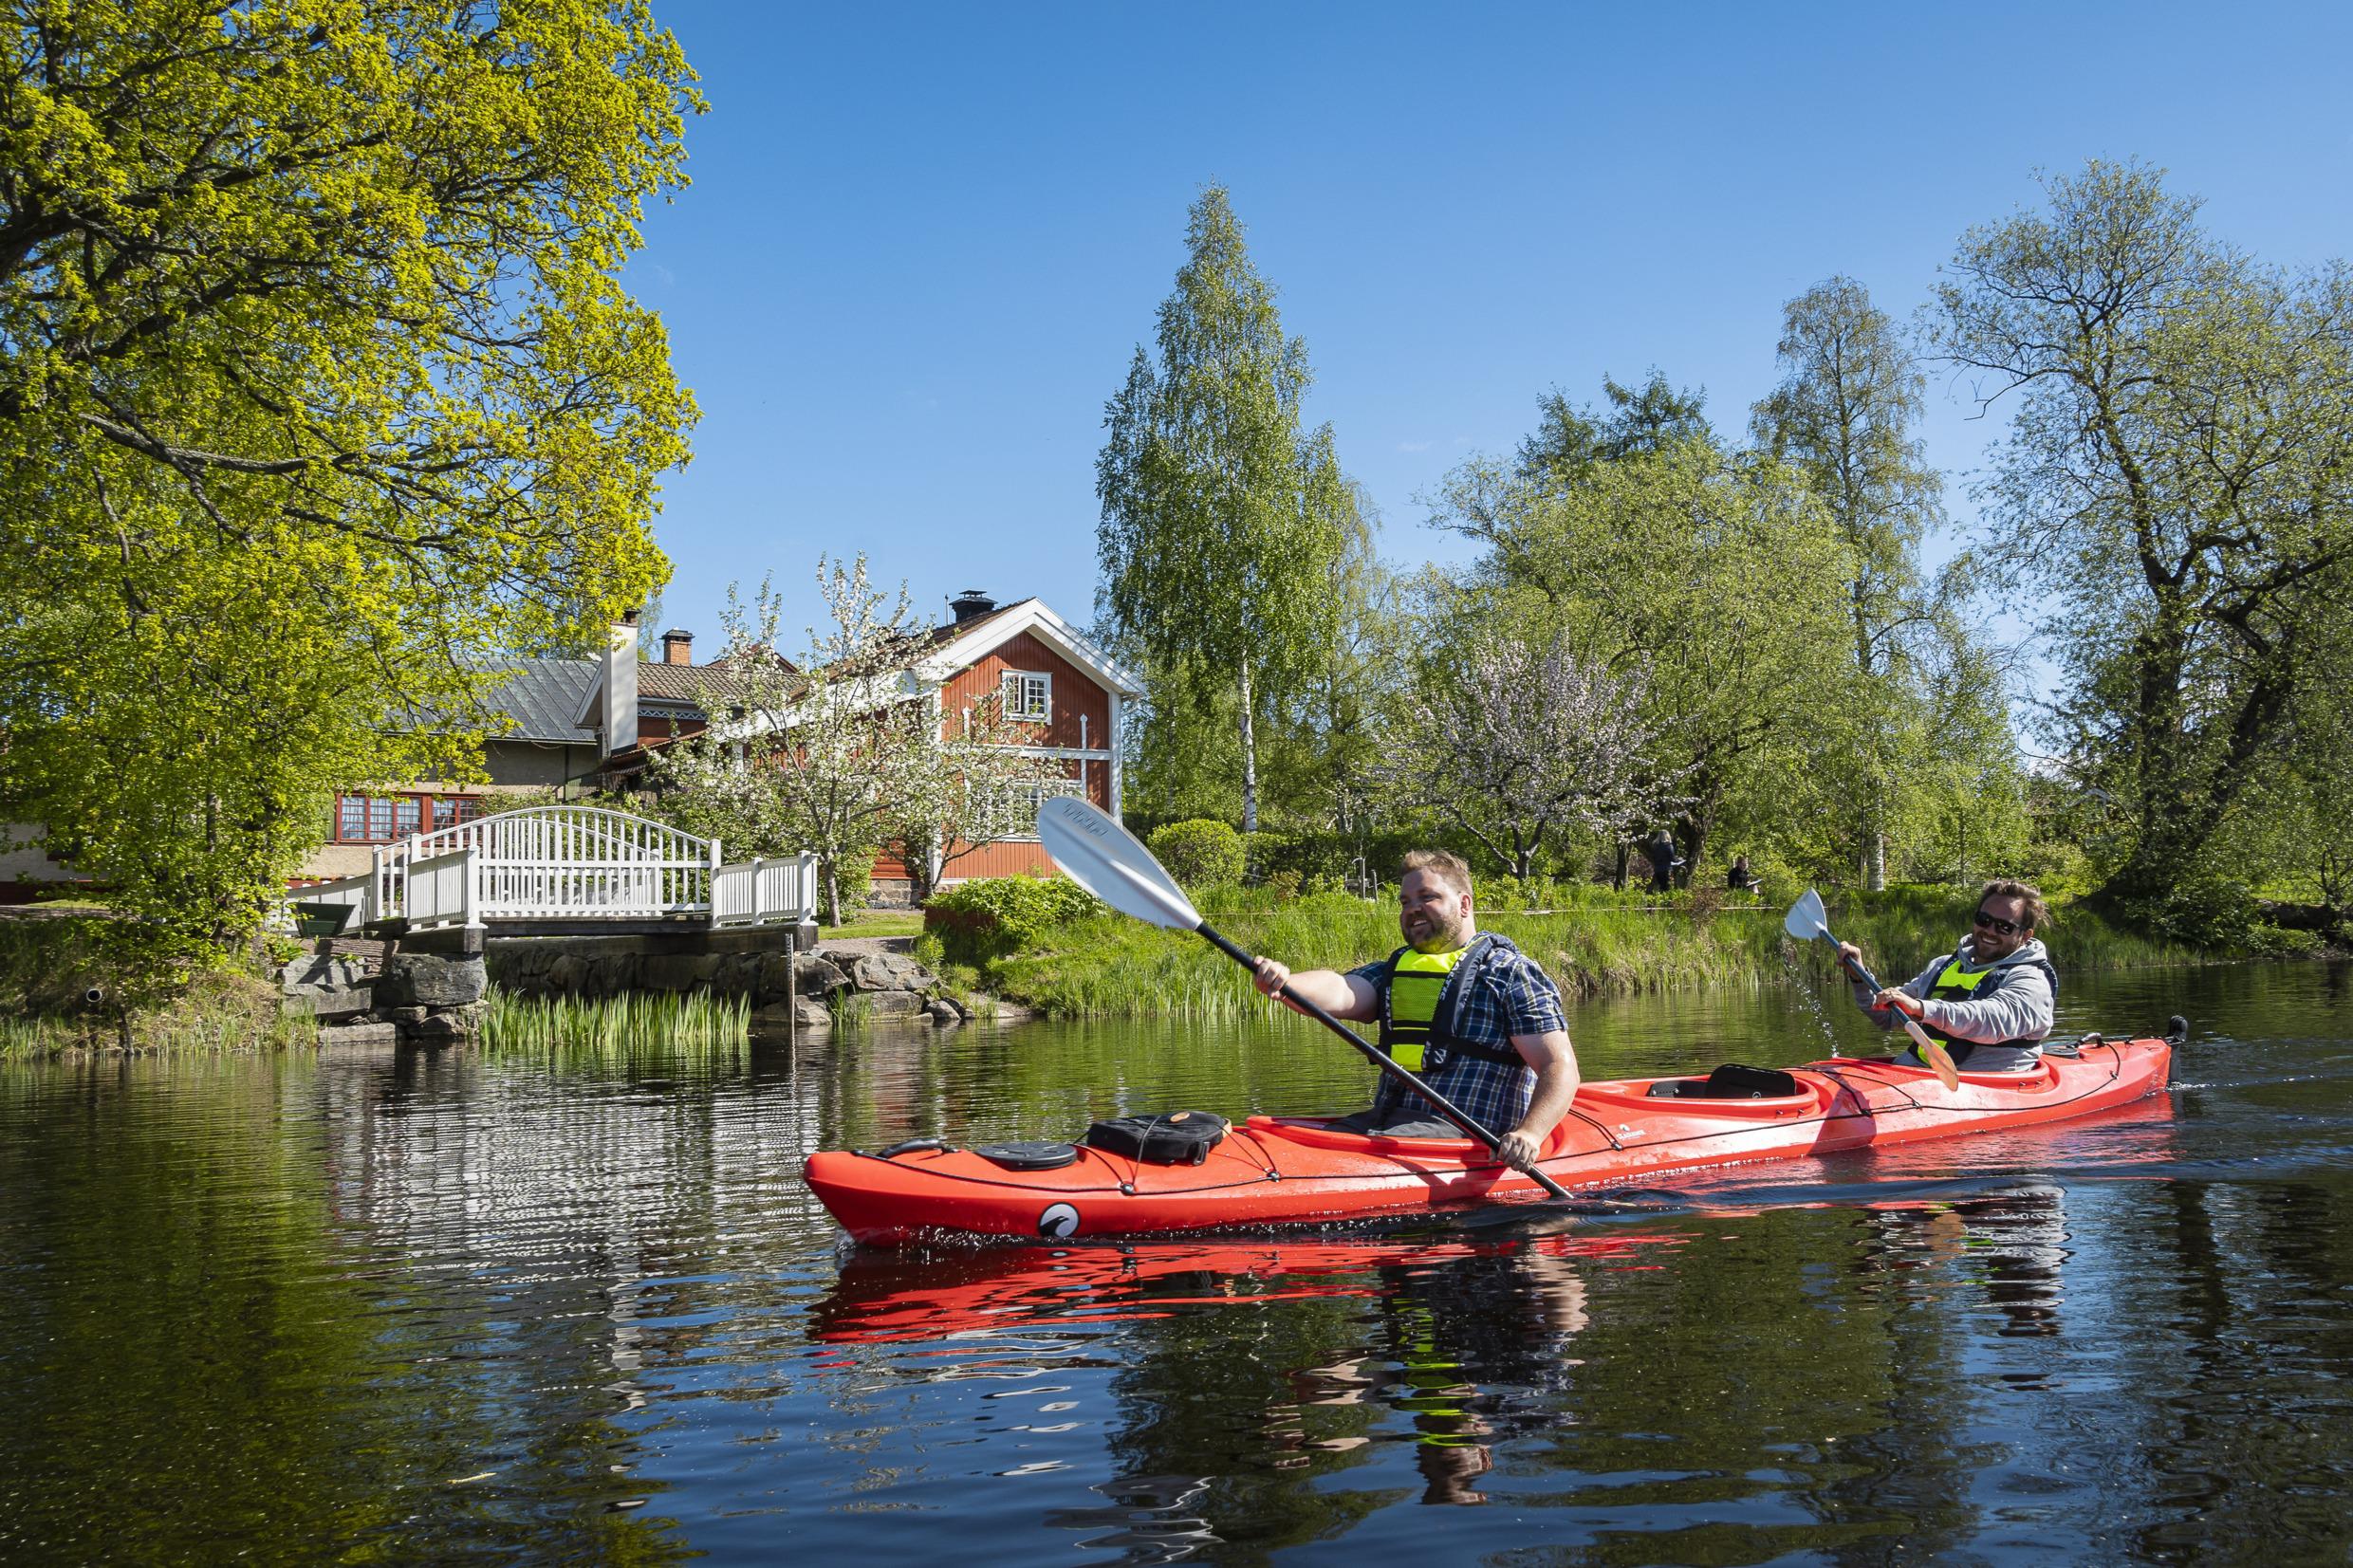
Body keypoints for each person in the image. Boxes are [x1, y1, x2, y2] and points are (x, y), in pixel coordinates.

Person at [1250, 849, 1580, 1171]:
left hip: (1465, 1137)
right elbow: (1341, 989)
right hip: (1389, 1123)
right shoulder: (1394, 970)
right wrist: (1287, 983)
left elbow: (1559, 1066)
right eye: (1405, 902)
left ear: (1464, 904)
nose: (1413, 909)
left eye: (1428, 897)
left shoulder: (1510, 973)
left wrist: (1530, 1133)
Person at [1838, 878, 2058, 1073]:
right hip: (1915, 1075)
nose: (1990, 931)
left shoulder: (2032, 981)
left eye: (2004, 927)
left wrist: (1922, 1008)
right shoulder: (1942, 966)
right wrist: (1859, 976)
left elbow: (1991, 1019)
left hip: (1985, 1086)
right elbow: (1886, 1017)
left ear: (2025, 935)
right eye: (1984, 920)